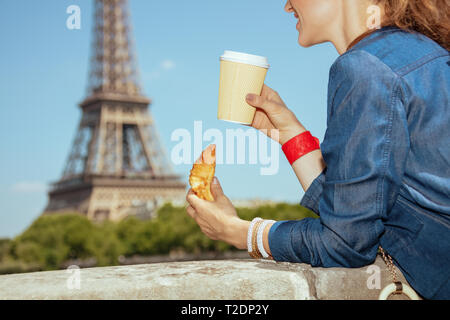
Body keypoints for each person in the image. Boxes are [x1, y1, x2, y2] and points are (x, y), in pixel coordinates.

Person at [185, 0, 450, 299]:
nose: (286, 6)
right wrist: (288, 133)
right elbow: (356, 209)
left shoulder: (363, 66)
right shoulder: (426, 53)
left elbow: (345, 242)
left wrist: (238, 231)